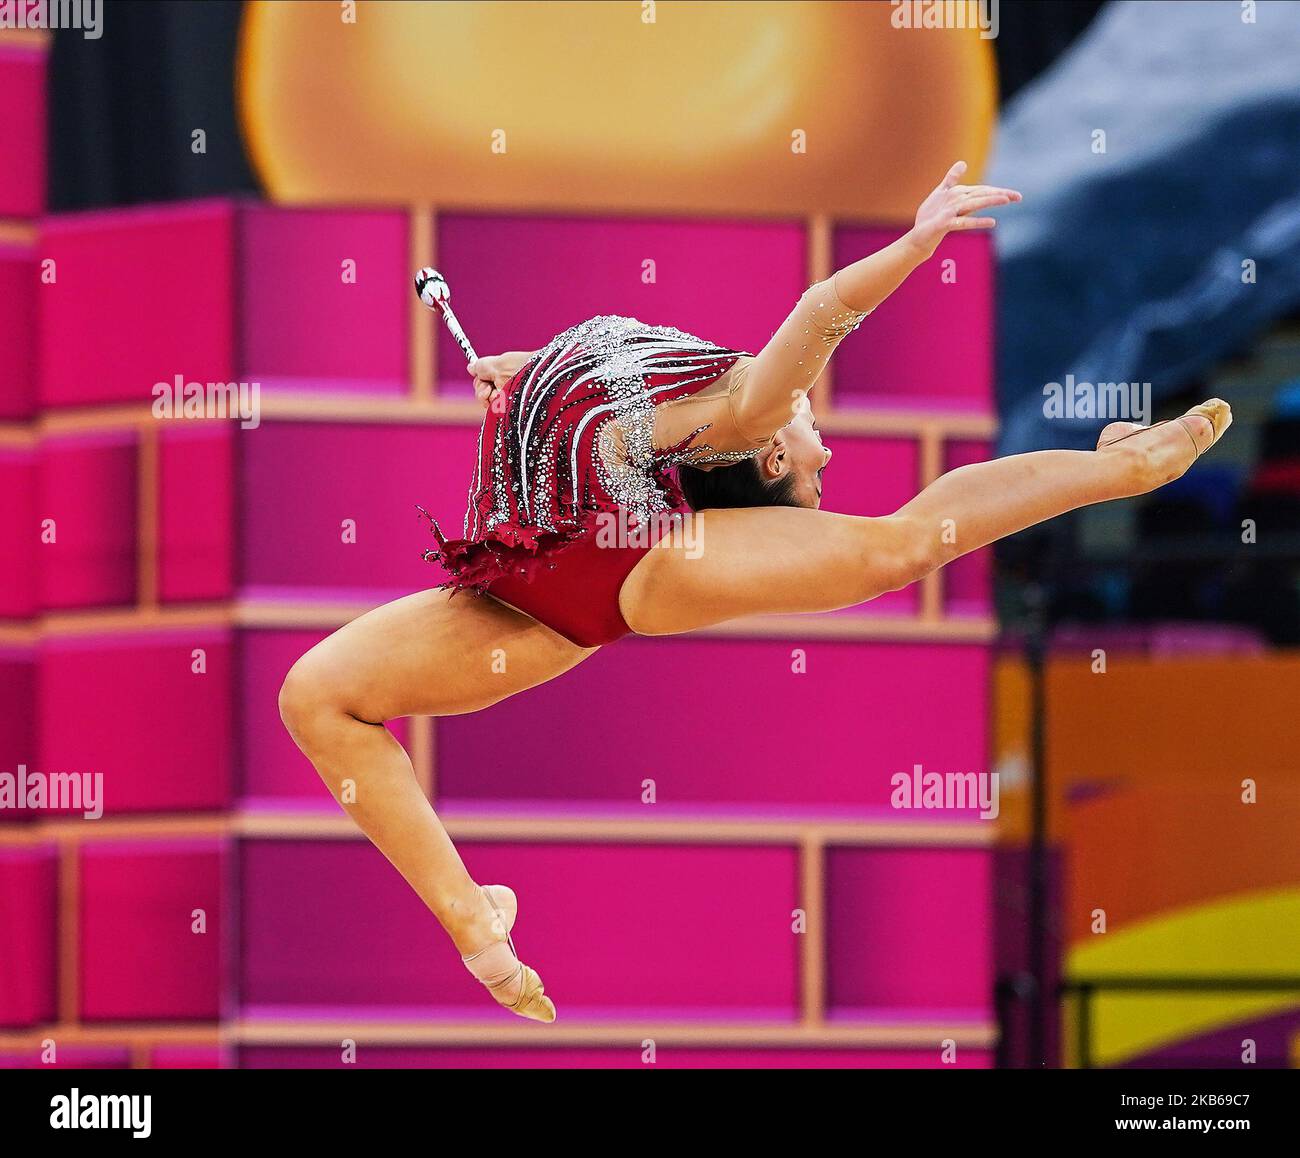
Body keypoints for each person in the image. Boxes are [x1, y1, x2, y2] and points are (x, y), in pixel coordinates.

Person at [278, 162, 1231, 1022]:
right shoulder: (727, 406)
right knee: (318, 697)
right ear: (771, 454)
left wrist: (912, 244)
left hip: (567, 577)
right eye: (818, 444)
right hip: (549, 584)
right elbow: (784, 328)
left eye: (813, 447)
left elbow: (822, 312)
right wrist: (527, 376)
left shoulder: (744, 409)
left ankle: (1120, 472)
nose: (826, 451)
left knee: (894, 549)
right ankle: (476, 925)